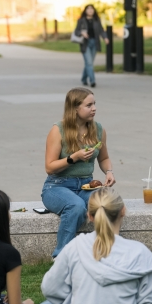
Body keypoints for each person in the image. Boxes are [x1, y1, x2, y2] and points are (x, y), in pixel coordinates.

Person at [42, 88, 115, 258]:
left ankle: (104, 253)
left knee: (106, 203)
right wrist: (73, 157)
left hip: (86, 185)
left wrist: (109, 172)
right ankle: (61, 257)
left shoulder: (98, 130)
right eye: (89, 105)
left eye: (94, 104)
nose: (94, 108)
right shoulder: (58, 130)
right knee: (76, 206)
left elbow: (104, 158)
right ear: (75, 108)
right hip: (57, 186)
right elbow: (49, 167)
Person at [74, 4, 108, 88]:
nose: (90, 11)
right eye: (88, 9)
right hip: (85, 44)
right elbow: (76, 31)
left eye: (91, 9)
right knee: (89, 63)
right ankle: (92, 81)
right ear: (85, 10)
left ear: (94, 10)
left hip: (95, 43)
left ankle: (83, 79)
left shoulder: (97, 20)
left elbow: (101, 30)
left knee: (89, 63)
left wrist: (105, 38)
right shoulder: (81, 20)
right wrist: (82, 32)